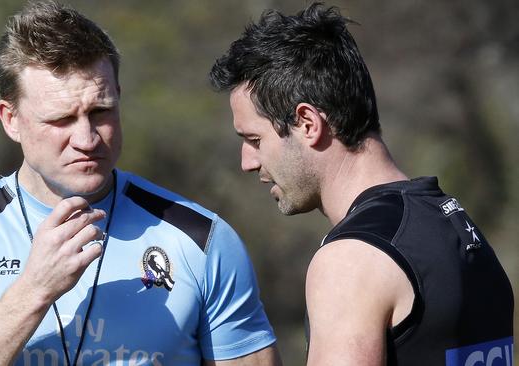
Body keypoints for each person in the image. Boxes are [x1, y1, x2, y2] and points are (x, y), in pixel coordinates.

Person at [0, 2, 282, 365]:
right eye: (60, 119)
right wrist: (34, 290)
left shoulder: (202, 239)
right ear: (10, 119)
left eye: (100, 111)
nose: (87, 139)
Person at [209, 2, 514, 365]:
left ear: (308, 123)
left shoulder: (351, 260)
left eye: (255, 140)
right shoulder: (456, 225)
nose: (248, 162)